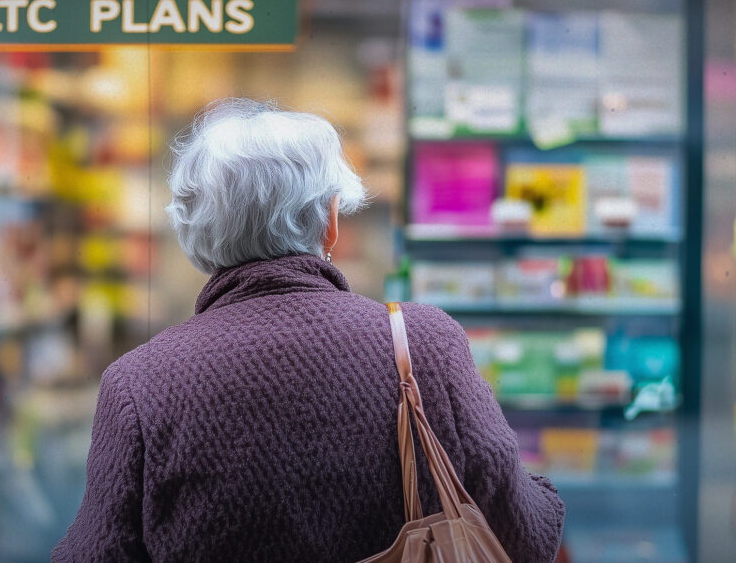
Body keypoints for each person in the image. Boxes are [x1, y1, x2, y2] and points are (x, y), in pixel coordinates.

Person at [52, 99, 565, 562]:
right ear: (330, 223)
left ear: (194, 235)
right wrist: (547, 496)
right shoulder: (423, 344)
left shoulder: (138, 385)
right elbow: (521, 533)